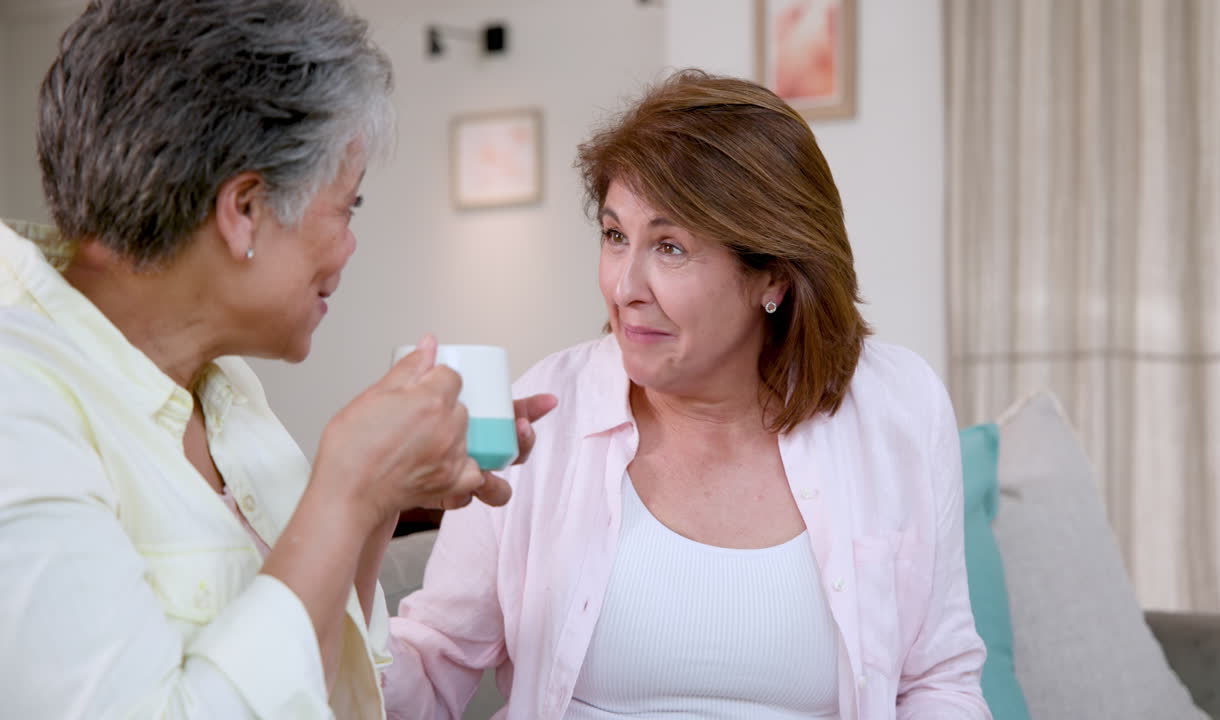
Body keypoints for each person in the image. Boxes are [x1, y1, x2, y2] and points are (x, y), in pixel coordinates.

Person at [0, 1, 553, 718]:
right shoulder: (19, 404)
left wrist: (383, 490)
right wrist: (347, 486)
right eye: (347, 207)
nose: (350, 247)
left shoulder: (227, 391)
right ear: (245, 210)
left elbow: (328, 683)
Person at [383, 70, 991, 719]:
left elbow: (938, 680)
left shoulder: (897, 408)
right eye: (616, 236)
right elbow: (434, 655)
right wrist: (365, 505)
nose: (623, 286)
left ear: (774, 278)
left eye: (670, 247)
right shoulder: (546, 409)